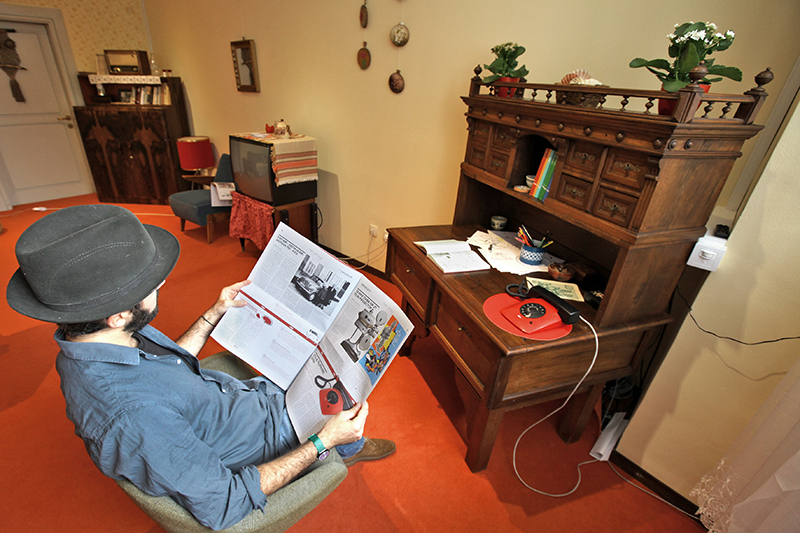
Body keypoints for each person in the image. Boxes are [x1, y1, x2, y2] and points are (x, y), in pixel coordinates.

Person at [6, 205, 396, 530]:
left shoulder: (90, 341)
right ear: (118, 315)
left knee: (314, 356)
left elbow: (170, 367)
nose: (160, 286)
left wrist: (214, 313)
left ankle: (343, 438)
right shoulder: (135, 418)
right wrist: (322, 441)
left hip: (233, 401)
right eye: (149, 285)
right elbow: (225, 504)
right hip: (264, 436)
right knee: (344, 392)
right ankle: (347, 447)